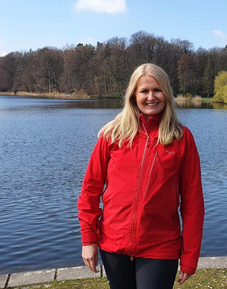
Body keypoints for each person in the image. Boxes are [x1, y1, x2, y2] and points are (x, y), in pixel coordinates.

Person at [77, 63, 204, 289]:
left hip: (160, 245)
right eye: (144, 91)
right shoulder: (112, 134)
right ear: (133, 95)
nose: (151, 97)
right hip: (113, 243)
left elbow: (193, 202)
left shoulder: (182, 138)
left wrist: (190, 254)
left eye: (157, 90)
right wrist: (88, 239)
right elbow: (90, 189)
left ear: (166, 92)